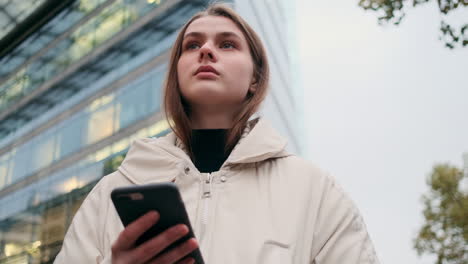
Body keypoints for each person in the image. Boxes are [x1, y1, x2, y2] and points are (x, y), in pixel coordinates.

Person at [55, 3, 379, 264]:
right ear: (176, 73)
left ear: (255, 77)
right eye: (192, 44)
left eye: (227, 44)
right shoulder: (112, 191)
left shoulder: (313, 189)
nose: (206, 51)